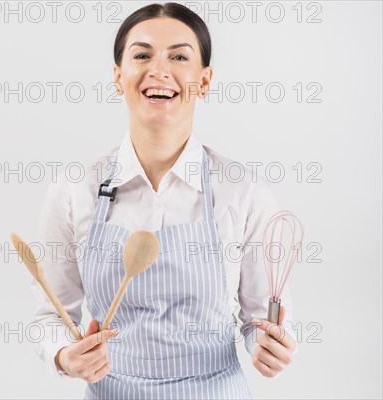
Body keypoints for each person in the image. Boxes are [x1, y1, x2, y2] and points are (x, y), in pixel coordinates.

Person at [31, 3, 298, 399]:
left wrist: (269, 347)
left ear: (204, 81)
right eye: (142, 55)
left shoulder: (244, 191)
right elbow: (50, 316)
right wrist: (65, 355)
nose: (159, 70)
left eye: (178, 56)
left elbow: (261, 319)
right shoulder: (74, 190)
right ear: (118, 77)